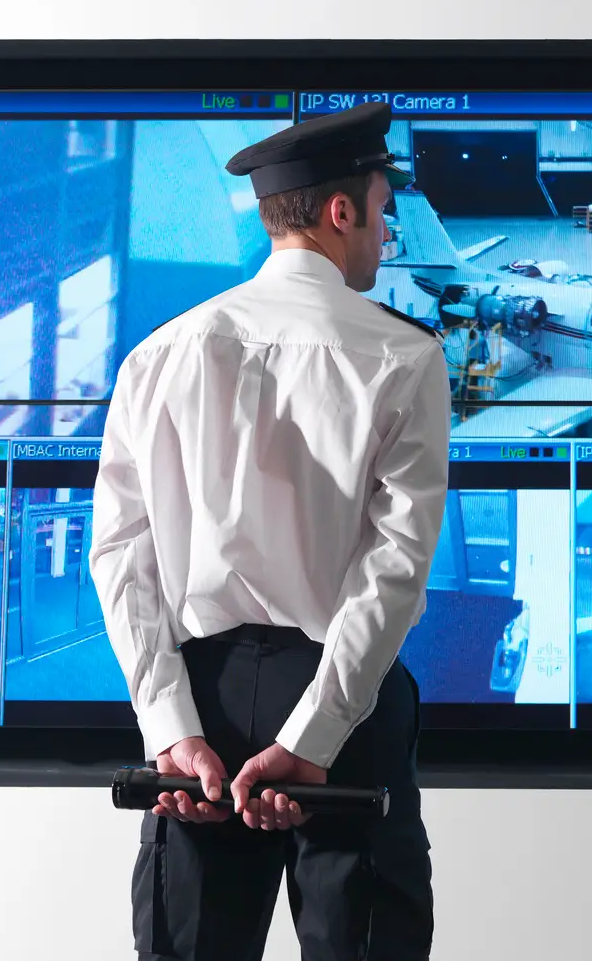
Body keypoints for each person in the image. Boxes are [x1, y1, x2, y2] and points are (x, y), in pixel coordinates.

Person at [92, 101, 450, 961]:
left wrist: (170, 727)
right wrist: (315, 736)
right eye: (381, 209)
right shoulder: (405, 357)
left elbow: (119, 556)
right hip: (343, 697)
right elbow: (392, 573)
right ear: (341, 212)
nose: (385, 232)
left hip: (199, 697)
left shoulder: (158, 354)